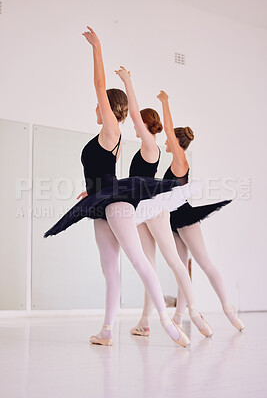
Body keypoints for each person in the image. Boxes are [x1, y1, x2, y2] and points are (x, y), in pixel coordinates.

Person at [44, 27, 197, 347]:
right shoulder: (105, 137)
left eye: (100, 104)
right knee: (109, 268)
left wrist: (97, 47)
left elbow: (99, 85)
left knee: (138, 260)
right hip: (102, 203)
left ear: (109, 107)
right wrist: (92, 190)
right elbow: (100, 174)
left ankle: (166, 321)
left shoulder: (111, 129)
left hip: (115, 203)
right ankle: (108, 330)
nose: (96, 108)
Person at [116, 66, 213, 338]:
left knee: (174, 261)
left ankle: (194, 313)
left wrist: (127, 81)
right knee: (148, 265)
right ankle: (145, 321)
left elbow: (134, 114)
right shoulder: (146, 147)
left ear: (147, 126)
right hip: (141, 210)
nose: (136, 126)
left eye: (140, 124)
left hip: (152, 208)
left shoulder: (151, 146)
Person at [157, 90, 244, 332]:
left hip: (185, 217)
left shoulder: (180, 160)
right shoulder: (175, 162)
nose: (165, 143)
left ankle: (229, 309)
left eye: (169, 140)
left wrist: (165, 102)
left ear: (175, 142)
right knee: (182, 268)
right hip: (173, 220)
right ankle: (178, 317)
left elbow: (168, 130)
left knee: (205, 263)